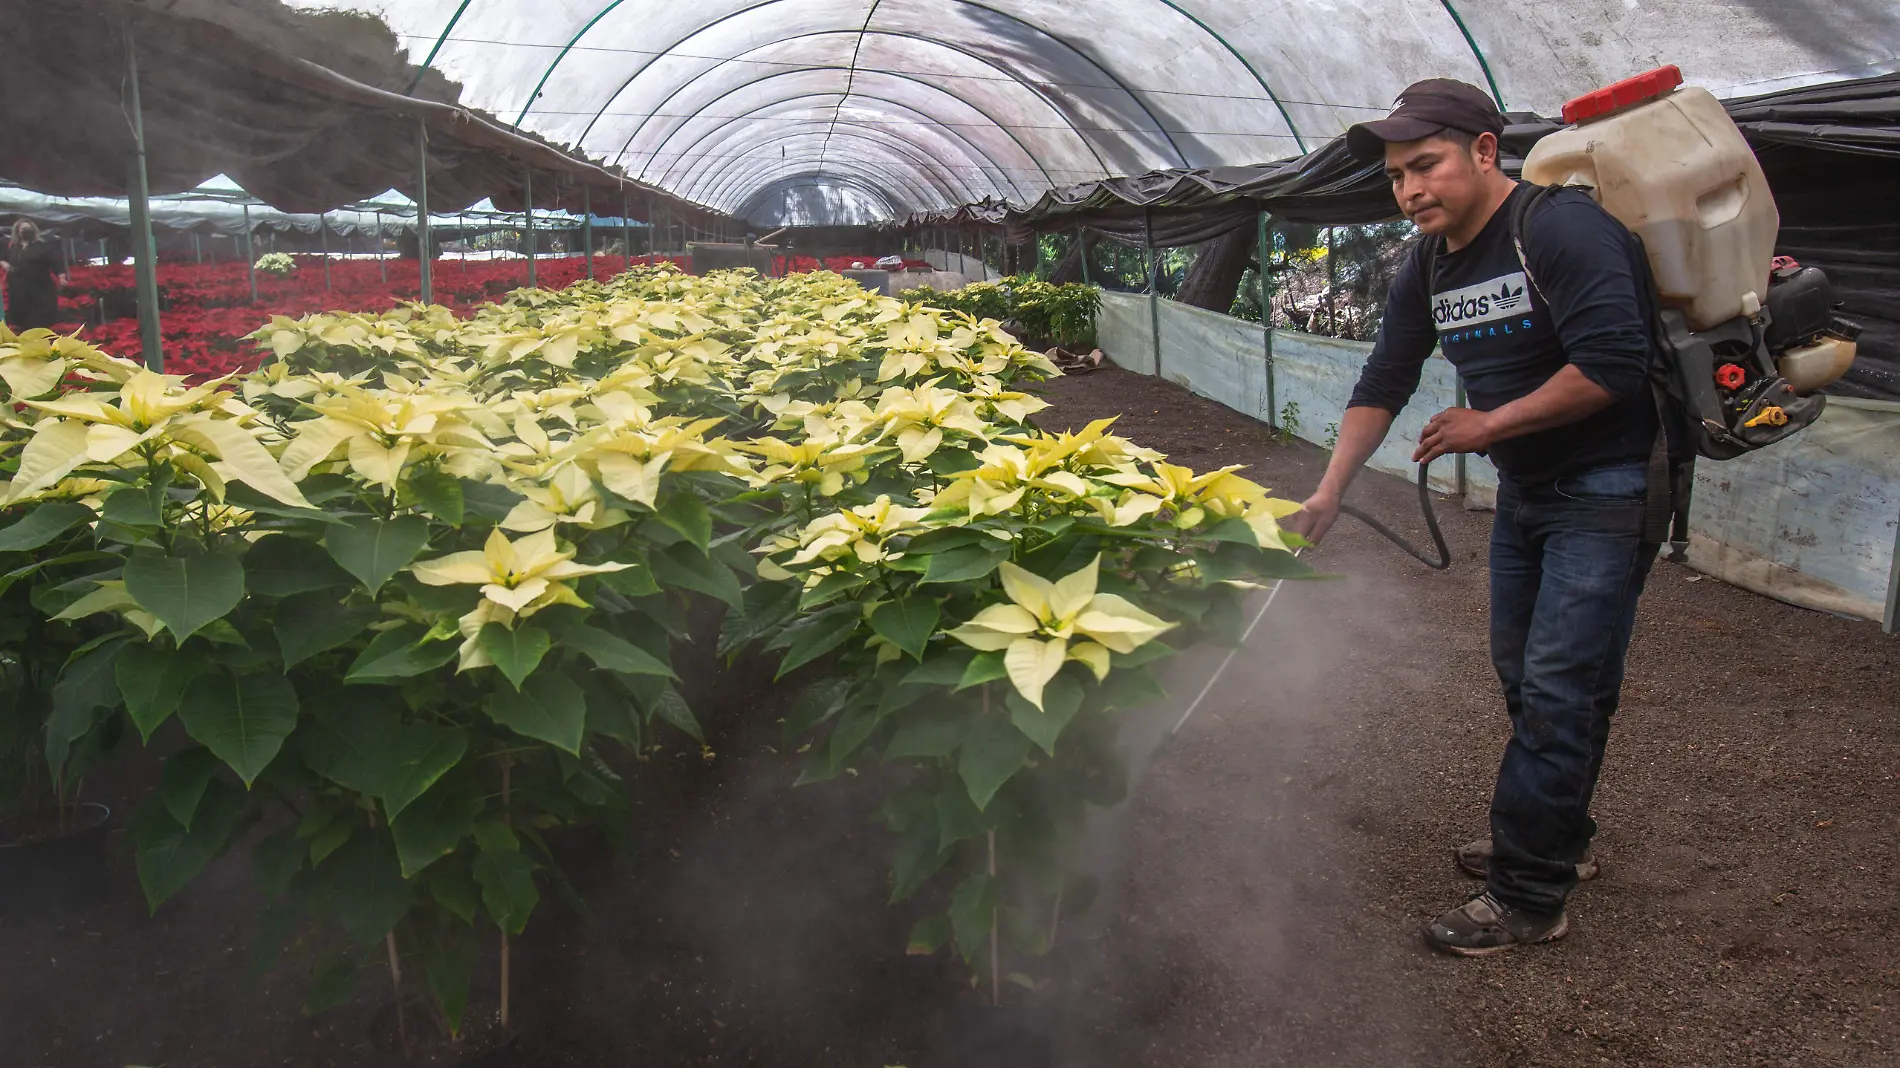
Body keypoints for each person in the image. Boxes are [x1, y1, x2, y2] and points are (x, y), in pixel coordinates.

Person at [1284, 79, 1663, 956]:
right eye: (1395, 177)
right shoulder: (1428, 262)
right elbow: (1385, 379)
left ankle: (1531, 893)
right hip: (1529, 493)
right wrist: (1328, 491)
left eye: (1426, 166)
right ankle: (1554, 834)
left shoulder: (1560, 230)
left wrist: (1488, 424)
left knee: (1564, 685)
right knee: (1527, 678)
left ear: (1485, 152)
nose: (1410, 190)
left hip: (1607, 486)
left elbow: (1613, 362)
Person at [2, 219, 70, 331]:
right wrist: (5, 264)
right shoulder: (13, 248)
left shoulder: (43, 246)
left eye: (29, 229)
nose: (27, 231)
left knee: (40, 321)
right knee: (22, 322)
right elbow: (3, 258)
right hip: (19, 291)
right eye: (23, 229)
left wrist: (61, 277)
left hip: (40, 289)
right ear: (17, 232)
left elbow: (55, 262)